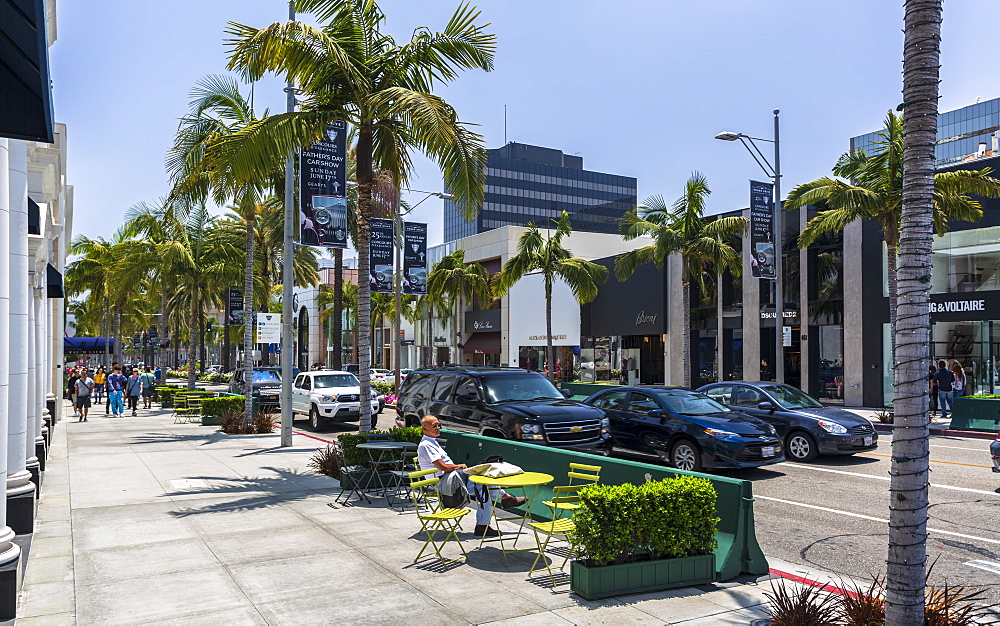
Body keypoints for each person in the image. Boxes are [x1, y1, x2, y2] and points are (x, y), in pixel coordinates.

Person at [417, 415, 525, 538]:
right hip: (443, 484)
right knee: (483, 485)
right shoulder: (426, 445)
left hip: (451, 479)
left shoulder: (432, 442)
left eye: (439, 425)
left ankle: (486, 523)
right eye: (434, 426)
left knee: (483, 485)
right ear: (424, 428)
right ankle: (504, 500)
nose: (438, 428)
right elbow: (443, 467)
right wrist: (459, 466)